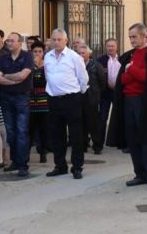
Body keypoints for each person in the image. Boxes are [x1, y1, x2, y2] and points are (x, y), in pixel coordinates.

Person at [106, 23, 147, 190]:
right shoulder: (129, 56)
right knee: (132, 139)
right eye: (130, 37)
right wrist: (131, 72)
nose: (132, 40)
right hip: (128, 101)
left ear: (143, 36)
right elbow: (122, 80)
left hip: (145, 102)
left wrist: (131, 70)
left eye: (134, 37)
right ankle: (139, 174)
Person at [43, 28, 89, 179]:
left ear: (66, 41)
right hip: (53, 99)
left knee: (76, 135)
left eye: (59, 40)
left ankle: (77, 167)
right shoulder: (47, 56)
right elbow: (47, 76)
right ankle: (60, 166)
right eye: (54, 39)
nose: (56, 42)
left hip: (71, 99)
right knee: (57, 135)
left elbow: (83, 78)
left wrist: (78, 93)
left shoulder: (74, 57)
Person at [0, 32, 33, 177]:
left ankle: (23, 164)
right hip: (6, 98)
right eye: (8, 41)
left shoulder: (27, 56)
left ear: (19, 42)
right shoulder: (3, 58)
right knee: (10, 132)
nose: (9, 43)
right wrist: (15, 80)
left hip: (22, 98)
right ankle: (15, 161)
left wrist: (6, 76)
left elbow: (23, 75)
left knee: (21, 131)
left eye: (12, 41)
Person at [81, 45, 106, 154]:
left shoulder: (96, 65)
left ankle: (97, 146)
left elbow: (102, 81)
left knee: (93, 123)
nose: (81, 55)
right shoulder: (76, 65)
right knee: (81, 122)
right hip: (79, 97)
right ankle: (83, 145)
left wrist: (96, 93)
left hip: (92, 98)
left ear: (89, 54)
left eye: (83, 53)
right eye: (79, 53)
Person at [28, 41, 49, 164]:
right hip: (30, 103)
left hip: (44, 103)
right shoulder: (28, 67)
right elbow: (29, 83)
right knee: (29, 130)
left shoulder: (47, 66)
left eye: (40, 51)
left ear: (43, 52)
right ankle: (26, 154)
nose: (37, 54)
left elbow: (45, 82)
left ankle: (43, 153)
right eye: (35, 51)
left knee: (44, 130)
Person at [97, 38, 120, 145]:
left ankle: (118, 141)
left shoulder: (122, 59)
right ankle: (99, 142)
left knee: (119, 116)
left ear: (117, 47)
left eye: (112, 46)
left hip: (118, 93)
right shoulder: (100, 60)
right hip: (105, 93)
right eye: (108, 46)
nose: (110, 48)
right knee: (102, 118)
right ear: (105, 47)